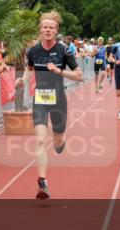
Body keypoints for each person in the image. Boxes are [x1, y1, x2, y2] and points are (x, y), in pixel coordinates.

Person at [16, 11, 83, 199]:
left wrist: (60, 72)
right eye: (45, 27)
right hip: (40, 100)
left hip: (59, 100)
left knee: (58, 141)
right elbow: (29, 70)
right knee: (39, 140)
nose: (47, 30)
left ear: (56, 30)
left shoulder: (64, 51)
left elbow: (79, 75)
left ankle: (60, 141)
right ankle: (42, 182)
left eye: (51, 27)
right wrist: (22, 80)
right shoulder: (33, 51)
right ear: (40, 29)